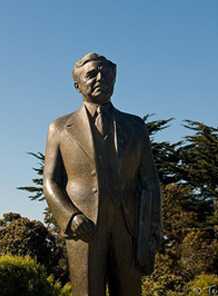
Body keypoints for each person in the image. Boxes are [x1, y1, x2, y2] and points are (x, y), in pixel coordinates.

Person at [43, 52, 162, 295]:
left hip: (129, 228)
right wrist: (71, 217)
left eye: (106, 74)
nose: (101, 78)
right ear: (77, 84)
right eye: (92, 74)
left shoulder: (135, 126)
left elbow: (150, 182)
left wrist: (152, 232)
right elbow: (50, 181)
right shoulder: (59, 127)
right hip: (83, 228)